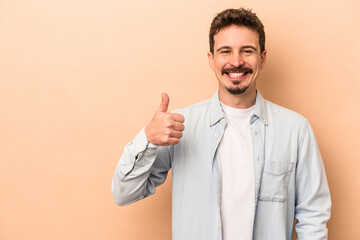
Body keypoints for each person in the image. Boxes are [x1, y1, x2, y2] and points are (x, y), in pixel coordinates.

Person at [112, 8, 331, 240]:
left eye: (247, 51)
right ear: (211, 59)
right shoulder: (180, 126)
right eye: (225, 51)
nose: (236, 61)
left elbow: (313, 215)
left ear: (263, 58)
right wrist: (147, 139)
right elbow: (124, 193)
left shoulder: (296, 130)